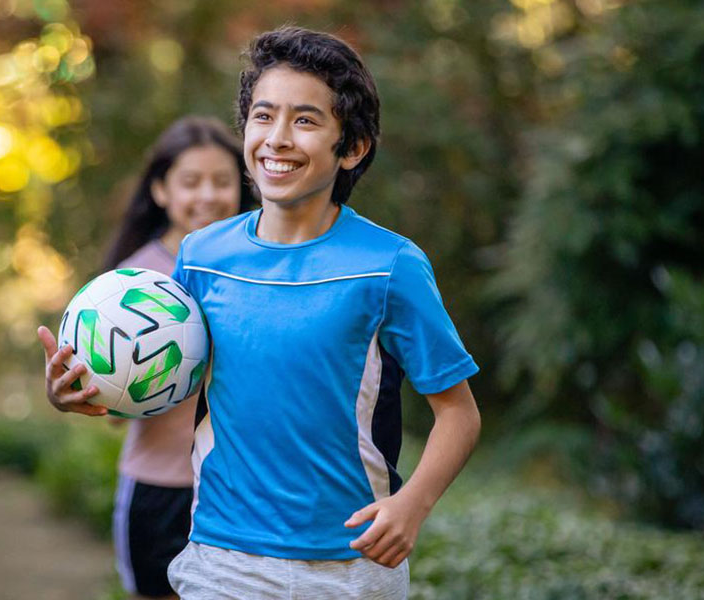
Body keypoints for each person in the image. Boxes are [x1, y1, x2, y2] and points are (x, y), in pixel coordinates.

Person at [39, 26, 482, 598]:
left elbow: (460, 414)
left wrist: (411, 507)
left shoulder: (390, 265)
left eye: (305, 120)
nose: (277, 139)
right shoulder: (202, 256)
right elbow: (156, 373)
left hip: (350, 564)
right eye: (263, 116)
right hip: (222, 559)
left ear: (351, 147)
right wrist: (82, 388)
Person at [40, 116, 253, 599]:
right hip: (160, 489)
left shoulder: (260, 271)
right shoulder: (130, 286)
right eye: (190, 181)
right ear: (161, 190)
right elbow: (113, 412)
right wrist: (68, 395)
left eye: (222, 181)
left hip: (239, 493)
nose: (208, 195)